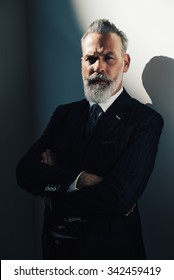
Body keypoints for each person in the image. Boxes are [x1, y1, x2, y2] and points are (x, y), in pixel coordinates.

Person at [16, 19, 163, 260]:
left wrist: (55, 199)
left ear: (125, 63)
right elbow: (25, 171)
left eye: (108, 58)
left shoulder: (145, 121)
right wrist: (80, 180)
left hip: (110, 256)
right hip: (56, 255)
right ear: (82, 63)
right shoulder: (64, 114)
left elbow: (119, 197)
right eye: (91, 59)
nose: (98, 67)